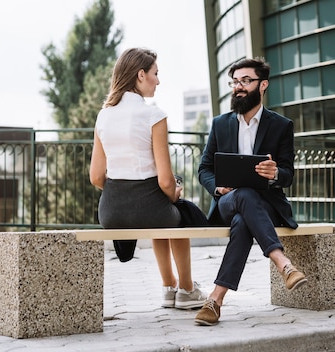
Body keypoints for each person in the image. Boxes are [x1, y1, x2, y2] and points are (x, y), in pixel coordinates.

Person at [89, 47, 207, 310]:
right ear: (141, 75)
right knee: (174, 214)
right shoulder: (154, 115)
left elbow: (96, 176)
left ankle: (168, 287)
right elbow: (165, 180)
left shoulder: (103, 116)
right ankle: (186, 289)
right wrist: (173, 193)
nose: (158, 80)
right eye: (155, 73)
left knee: (161, 214)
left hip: (110, 213)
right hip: (149, 209)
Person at [195, 57, 306, 326]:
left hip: (265, 204)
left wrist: (276, 173)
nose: (239, 87)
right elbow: (204, 169)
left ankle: (215, 299)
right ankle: (282, 262)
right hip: (227, 201)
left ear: (262, 85)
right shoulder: (220, 124)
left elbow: (288, 174)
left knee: (244, 219)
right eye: (235, 82)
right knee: (243, 196)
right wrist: (218, 186)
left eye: (246, 81)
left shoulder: (281, 126)